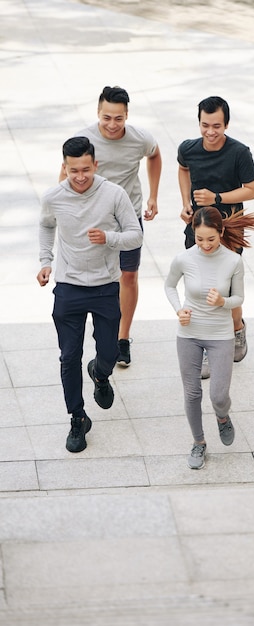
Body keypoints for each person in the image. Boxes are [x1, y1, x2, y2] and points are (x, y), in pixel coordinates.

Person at [38, 136, 143, 453]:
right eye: (73, 171)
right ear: (64, 168)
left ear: (96, 165)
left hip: (104, 286)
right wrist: (46, 262)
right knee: (68, 357)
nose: (80, 176)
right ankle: (77, 418)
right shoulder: (54, 197)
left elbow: (134, 235)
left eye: (85, 169)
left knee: (109, 353)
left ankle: (100, 373)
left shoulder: (114, 194)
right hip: (69, 285)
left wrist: (109, 238)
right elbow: (45, 226)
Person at [60, 85, 162, 366]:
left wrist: (153, 195)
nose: (112, 124)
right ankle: (99, 335)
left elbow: (154, 155)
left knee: (128, 276)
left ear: (127, 114)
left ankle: (122, 338)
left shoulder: (140, 139)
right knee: (96, 279)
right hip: (93, 218)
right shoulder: (84, 139)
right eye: (106, 117)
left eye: (118, 118)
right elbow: (65, 175)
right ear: (98, 113)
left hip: (127, 218)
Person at [164, 206, 254, 469]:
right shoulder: (183, 259)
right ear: (193, 233)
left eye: (211, 239)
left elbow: (239, 298)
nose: (205, 245)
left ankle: (222, 416)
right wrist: (178, 309)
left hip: (220, 335)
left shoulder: (232, 260)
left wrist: (223, 301)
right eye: (199, 239)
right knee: (192, 393)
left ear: (221, 232)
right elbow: (170, 285)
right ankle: (199, 442)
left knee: (218, 395)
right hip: (189, 333)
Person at [177, 96, 254, 374]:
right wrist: (186, 203)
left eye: (217, 126)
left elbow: (252, 189)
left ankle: (237, 328)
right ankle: (208, 348)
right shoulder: (188, 149)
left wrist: (217, 197)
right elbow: (183, 169)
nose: (210, 132)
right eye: (204, 125)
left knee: (225, 291)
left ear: (226, 124)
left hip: (230, 228)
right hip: (198, 228)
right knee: (198, 289)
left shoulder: (239, 152)